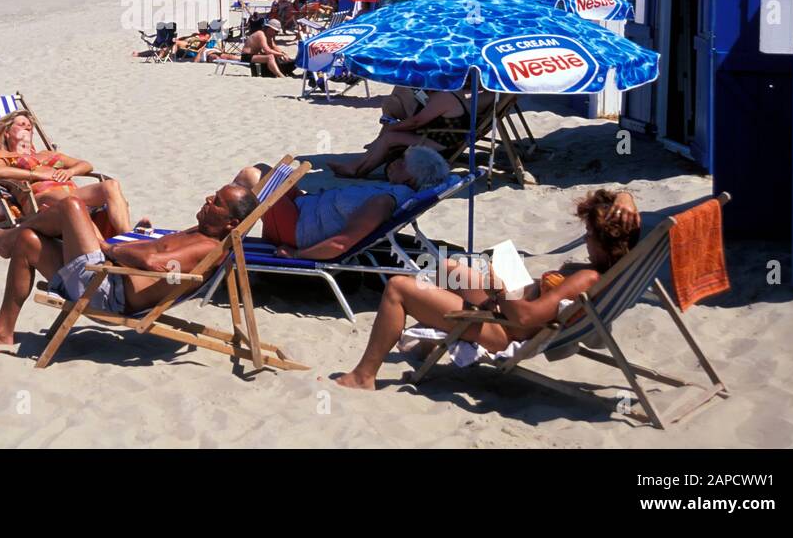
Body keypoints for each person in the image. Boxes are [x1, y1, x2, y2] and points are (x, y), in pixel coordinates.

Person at [333, 188, 643, 390]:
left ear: (605, 240)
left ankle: (364, 376)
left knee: (399, 288)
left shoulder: (586, 278)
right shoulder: (617, 267)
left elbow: (524, 319)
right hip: (507, 309)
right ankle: (426, 344)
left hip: (504, 329)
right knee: (449, 269)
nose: (585, 238)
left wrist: (498, 288)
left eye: (589, 233)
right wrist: (626, 197)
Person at [0, 181, 258, 347]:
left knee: (71, 205)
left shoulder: (206, 247)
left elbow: (152, 263)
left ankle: (4, 239)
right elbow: (154, 256)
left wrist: (105, 248)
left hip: (106, 291)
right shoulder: (200, 232)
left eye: (216, 201)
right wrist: (139, 239)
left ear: (232, 223)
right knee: (30, 242)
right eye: (214, 194)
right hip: (106, 277)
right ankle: (2, 331)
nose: (208, 198)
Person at [236, 146, 451, 260]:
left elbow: (342, 242)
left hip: (298, 230)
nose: (395, 161)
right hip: (304, 208)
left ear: (411, 179)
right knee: (265, 169)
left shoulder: (384, 201)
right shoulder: (391, 190)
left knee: (251, 176)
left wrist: (297, 254)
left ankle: (218, 241)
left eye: (403, 162)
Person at [0, 111, 133, 250]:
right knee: (71, 202)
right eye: (22, 124)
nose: (28, 128)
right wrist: (38, 175)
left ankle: (129, 239)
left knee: (111, 185)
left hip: (72, 195)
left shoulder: (47, 154)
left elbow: (86, 165)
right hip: (40, 201)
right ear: (7, 132)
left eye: (30, 126)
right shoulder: (5, 155)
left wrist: (70, 171)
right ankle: (103, 249)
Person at [330, 87, 493, 179]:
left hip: (442, 144)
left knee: (389, 138)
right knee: (390, 132)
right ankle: (357, 165)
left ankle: (358, 169)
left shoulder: (445, 97)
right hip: (443, 137)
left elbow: (417, 121)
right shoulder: (453, 93)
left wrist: (393, 127)